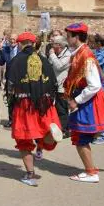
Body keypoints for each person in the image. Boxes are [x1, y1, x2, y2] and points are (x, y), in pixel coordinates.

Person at [6, 32, 63, 186]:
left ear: (19, 44)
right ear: (33, 43)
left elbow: (10, 86)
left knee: (24, 140)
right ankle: (49, 134)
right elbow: (54, 83)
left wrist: (11, 104)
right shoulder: (44, 60)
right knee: (42, 132)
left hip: (25, 104)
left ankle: (30, 174)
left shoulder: (15, 61)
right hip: (44, 103)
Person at [64, 23, 104, 183]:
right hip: (85, 99)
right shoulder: (79, 54)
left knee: (81, 139)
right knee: (82, 138)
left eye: (69, 35)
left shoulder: (86, 56)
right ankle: (90, 169)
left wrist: (76, 101)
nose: (67, 38)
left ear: (76, 37)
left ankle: (91, 172)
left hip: (88, 102)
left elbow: (95, 85)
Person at [47, 35, 71, 135]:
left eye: (54, 44)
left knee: (62, 108)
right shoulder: (57, 54)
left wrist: (52, 55)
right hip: (55, 85)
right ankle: (60, 127)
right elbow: (49, 65)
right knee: (57, 108)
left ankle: (65, 130)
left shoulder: (68, 55)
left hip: (63, 87)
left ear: (59, 45)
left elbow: (59, 66)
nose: (52, 47)